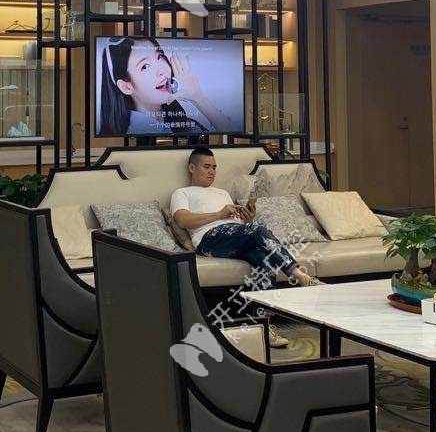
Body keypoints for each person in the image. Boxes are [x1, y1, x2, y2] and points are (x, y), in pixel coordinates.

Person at [171, 147, 322, 349]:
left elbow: (236, 225)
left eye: (214, 167)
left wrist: (247, 219)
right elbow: (182, 220)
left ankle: (264, 327)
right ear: (192, 168)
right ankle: (300, 276)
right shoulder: (182, 193)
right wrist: (219, 214)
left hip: (235, 235)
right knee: (257, 230)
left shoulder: (222, 193)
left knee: (265, 263)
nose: (212, 172)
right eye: (207, 167)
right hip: (209, 239)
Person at [99, 37, 236, 137]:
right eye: (145, 66)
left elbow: (232, 133)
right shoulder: (130, 133)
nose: (162, 71)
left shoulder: (182, 124)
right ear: (126, 87)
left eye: (159, 57)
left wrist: (198, 97)